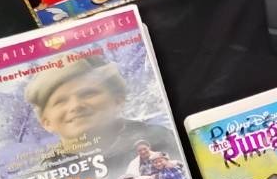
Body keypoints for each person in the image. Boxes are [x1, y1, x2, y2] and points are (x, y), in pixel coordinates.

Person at [24, 55, 176, 165]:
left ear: (118, 100)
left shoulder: (160, 140)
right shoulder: (43, 174)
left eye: (88, 93)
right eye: (60, 101)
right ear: (46, 122)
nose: (76, 106)